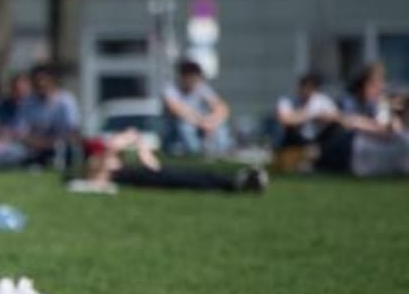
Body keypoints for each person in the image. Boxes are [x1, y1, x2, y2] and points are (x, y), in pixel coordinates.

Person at [68, 129, 265, 195]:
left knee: (195, 176)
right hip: (147, 177)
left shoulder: (103, 158)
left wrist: (144, 154)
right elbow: (100, 180)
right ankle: (238, 182)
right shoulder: (99, 165)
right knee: (192, 179)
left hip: (151, 172)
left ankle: (240, 179)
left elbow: (130, 136)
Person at [318, 63, 408, 178]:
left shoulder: (378, 104)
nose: (380, 88)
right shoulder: (347, 101)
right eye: (373, 84)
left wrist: (387, 113)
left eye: (381, 83)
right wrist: (373, 125)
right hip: (343, 148)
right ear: (362, 84)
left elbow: (393, 129)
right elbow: (345, 121)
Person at [14, 63, 80, 167]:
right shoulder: (28, 103)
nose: (40, 83)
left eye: (43, 79)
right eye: (36, 80)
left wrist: (53, 143)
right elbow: (20, 132)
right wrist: (39, 143)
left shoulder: (66, 101)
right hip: (34, 148)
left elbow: (72, 130)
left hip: (60, 147)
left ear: (52, 80)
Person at [161, 59, 231, 157]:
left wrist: (212, 121)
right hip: (175, 134)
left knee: (220, 126)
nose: (193, 81)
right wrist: (202, 122)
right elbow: (178, 111)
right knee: (185, 126)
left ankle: (222, 152)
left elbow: (221, 108)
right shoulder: (170, 90)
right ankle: (194, 152)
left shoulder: (201, 88)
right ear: (183, 77)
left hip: (200, 125)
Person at [273, 72, 339, 172]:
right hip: (294, 140)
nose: (306, 91)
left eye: (310, 88)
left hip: (319, 140)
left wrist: (300, 116)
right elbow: (285, 120)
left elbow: (336, 117)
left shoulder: (322, 100)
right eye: (304, 87)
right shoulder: (288, 100)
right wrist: (309, 114)